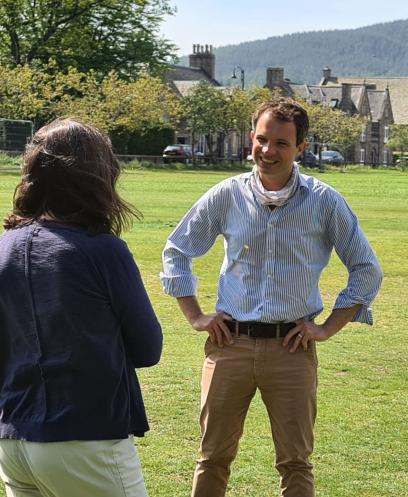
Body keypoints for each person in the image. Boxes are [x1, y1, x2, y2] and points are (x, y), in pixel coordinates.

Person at [161, 97, 383, 497]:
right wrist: (196, 316)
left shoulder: (323, 201)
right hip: (230, 345)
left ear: (301, 149)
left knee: (296, 463)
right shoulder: (226, 195)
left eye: (281, 143)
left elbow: (366, 268)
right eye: (262, 140)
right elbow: (178, 250)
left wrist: (328, 327)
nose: (268, 151)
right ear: (251, 139)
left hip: (291, 349)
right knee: (212, 457)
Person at [0, 119, 163, 497]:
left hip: (12, 437)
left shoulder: (0, 248)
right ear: (97, 177)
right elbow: (148, 348)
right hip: (84, 436)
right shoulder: (103, 251)